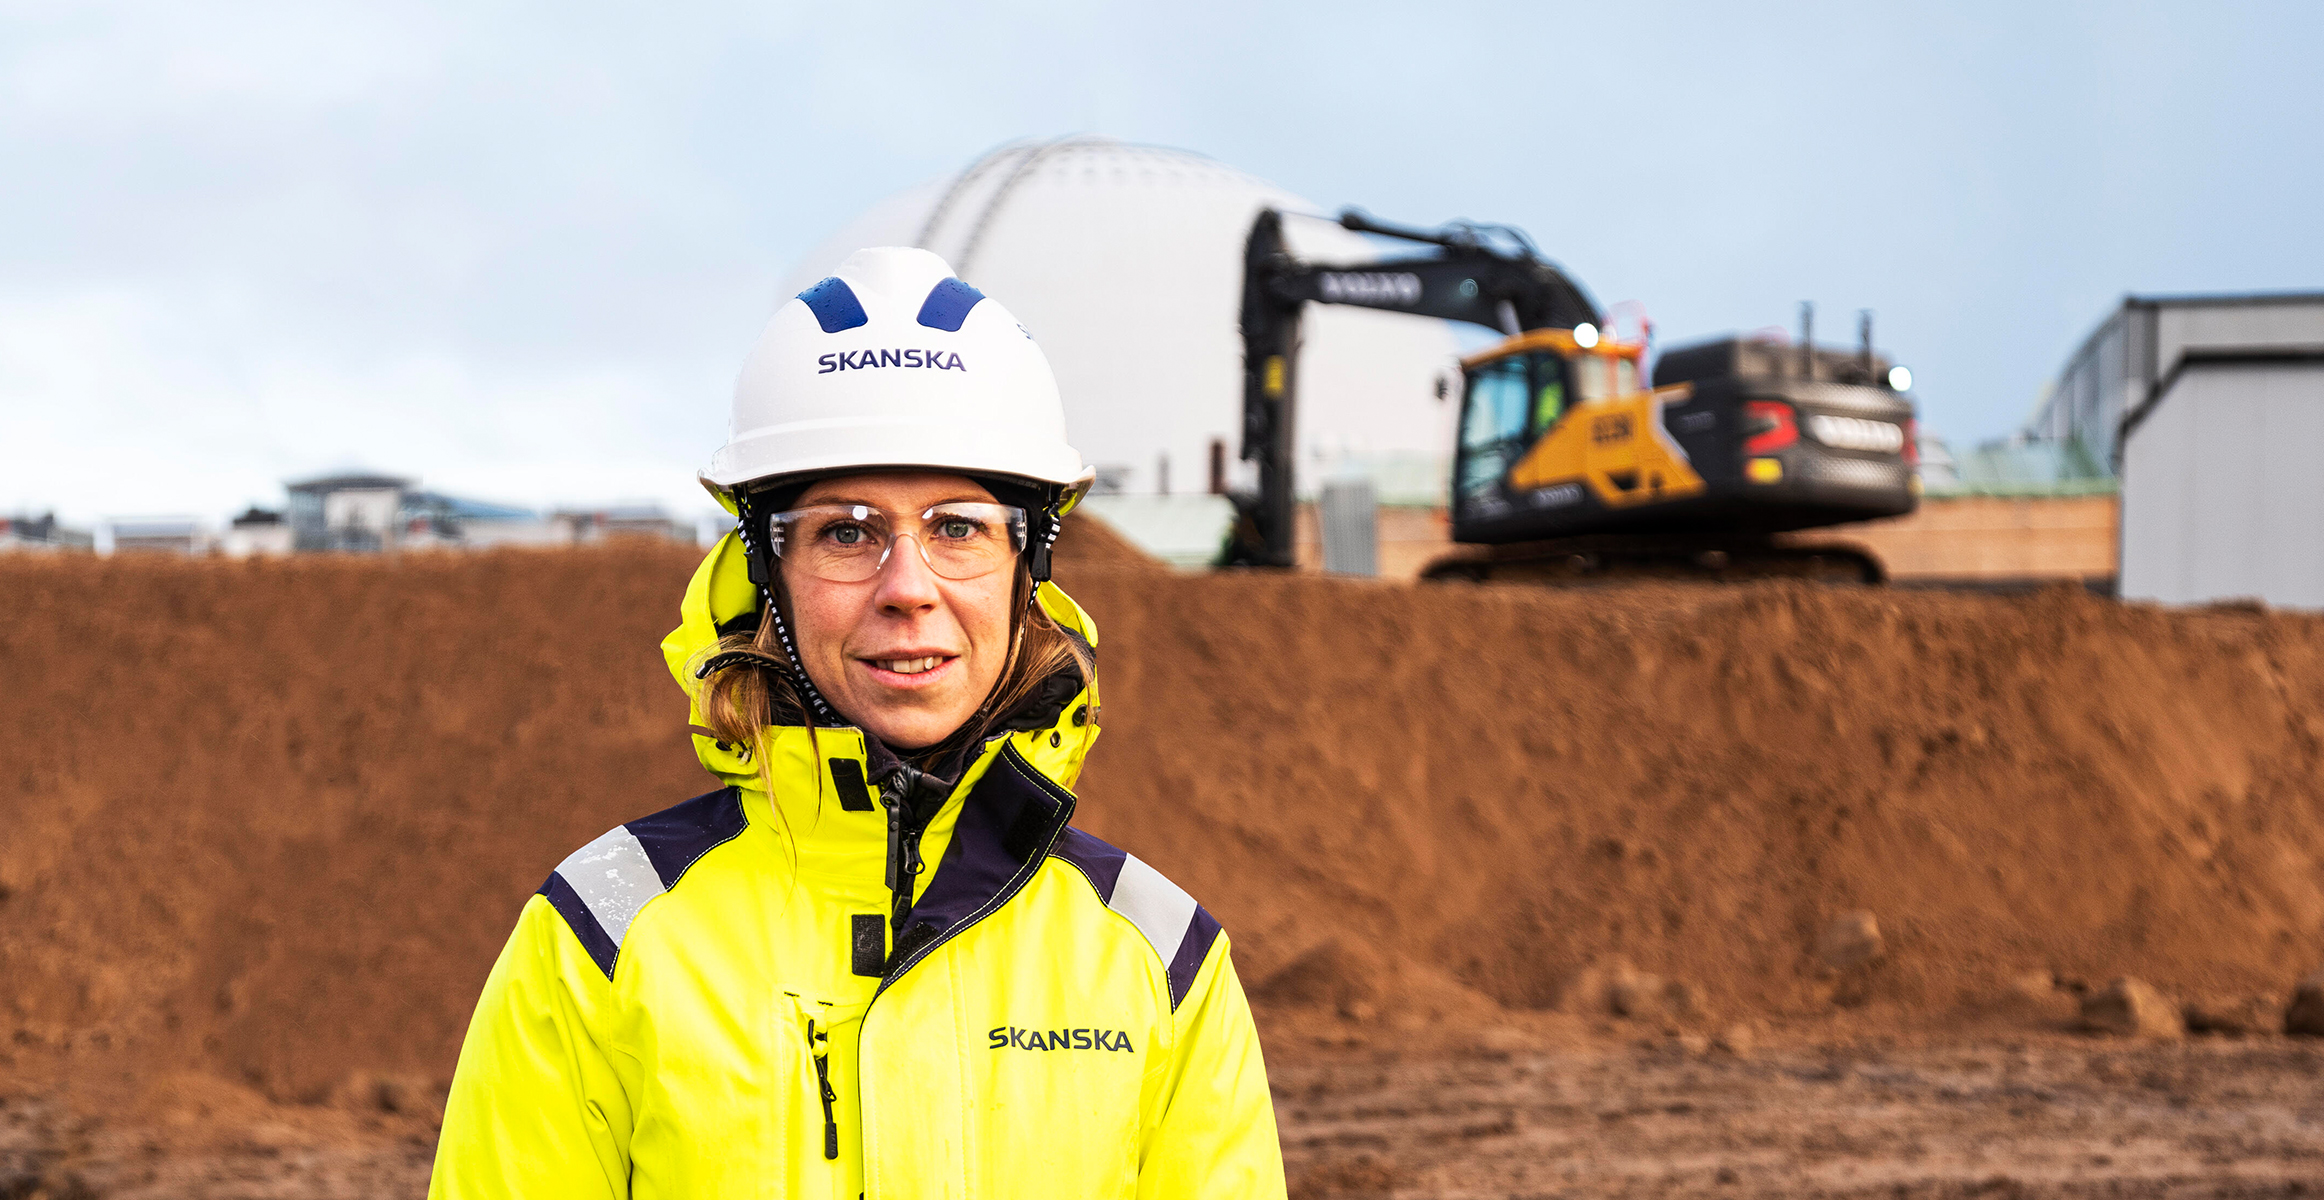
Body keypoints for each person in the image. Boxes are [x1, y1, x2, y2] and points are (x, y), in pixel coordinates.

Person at [428, 247, 1286, 1198]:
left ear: (1028, 565)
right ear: (768, 573)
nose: (907, 587)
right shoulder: (602, 941)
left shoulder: (1159, 961)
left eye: (958, 527)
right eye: (846, 531)